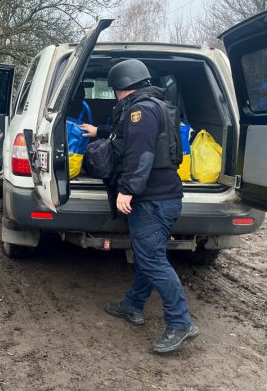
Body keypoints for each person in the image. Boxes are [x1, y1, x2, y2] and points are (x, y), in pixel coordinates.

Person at [80, 59, 198, 353]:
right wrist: (100, 130)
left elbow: (141, 153)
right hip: (164, 197)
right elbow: (130, 138)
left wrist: (127, 190)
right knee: (149, 255)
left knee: (152, 261)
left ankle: (181, 323)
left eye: (116, 90)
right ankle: (132, 305)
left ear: (121, 87)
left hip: (152, 200)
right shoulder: (154, 105)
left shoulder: (139, 110)